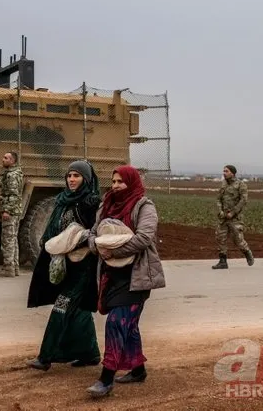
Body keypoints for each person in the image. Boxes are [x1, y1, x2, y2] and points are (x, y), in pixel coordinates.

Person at [85, 165, 166, 398]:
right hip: (111, 277)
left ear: (132, 182)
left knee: (116, 323)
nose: (116, 186)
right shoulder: (107, 203)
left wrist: (114, 252)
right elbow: (93, 233)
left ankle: (106, 379)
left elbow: (143, 237)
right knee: (128, 327)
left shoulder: (144, 206)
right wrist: (98, 247)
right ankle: (138, 370)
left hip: (136, 278)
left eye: (121, 182)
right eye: (113, 181)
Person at [25, 160, 102, 371]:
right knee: (80, 310)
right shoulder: (62, 200)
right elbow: (52, 229)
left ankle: (46, 357)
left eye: (76, 176)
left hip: (82, 266)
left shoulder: (91, 203)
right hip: (63, 265)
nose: (71, 179)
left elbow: (97, 232)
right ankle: (90, 354)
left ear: (86, 179)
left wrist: (79, 240)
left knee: (62, 306)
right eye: (69, 176)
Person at [0, 151, 24, 277]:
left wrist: (6, 210)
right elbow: (8, 188)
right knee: (13, 239)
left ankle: (8, 269)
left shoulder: (12, 175)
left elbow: (13, 194)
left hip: (11, 212)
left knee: (7, 240)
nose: (3, 159)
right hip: (16, 211)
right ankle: (14, 268)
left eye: (6, 158)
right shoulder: (13, 173)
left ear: (12, 161)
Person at [213, 164, 255, 269]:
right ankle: (223, 261)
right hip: (223, 217)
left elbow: (243, 201)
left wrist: (233, 212)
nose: (224, 173)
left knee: (238, 240)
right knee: (220, 238)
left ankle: (247, 252)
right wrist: (220, 212)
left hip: (235, 218)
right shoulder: (223, 185)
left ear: (232, 172)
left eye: (226, 171)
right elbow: (218, 199)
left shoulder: (241, 185)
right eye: (223, 171)